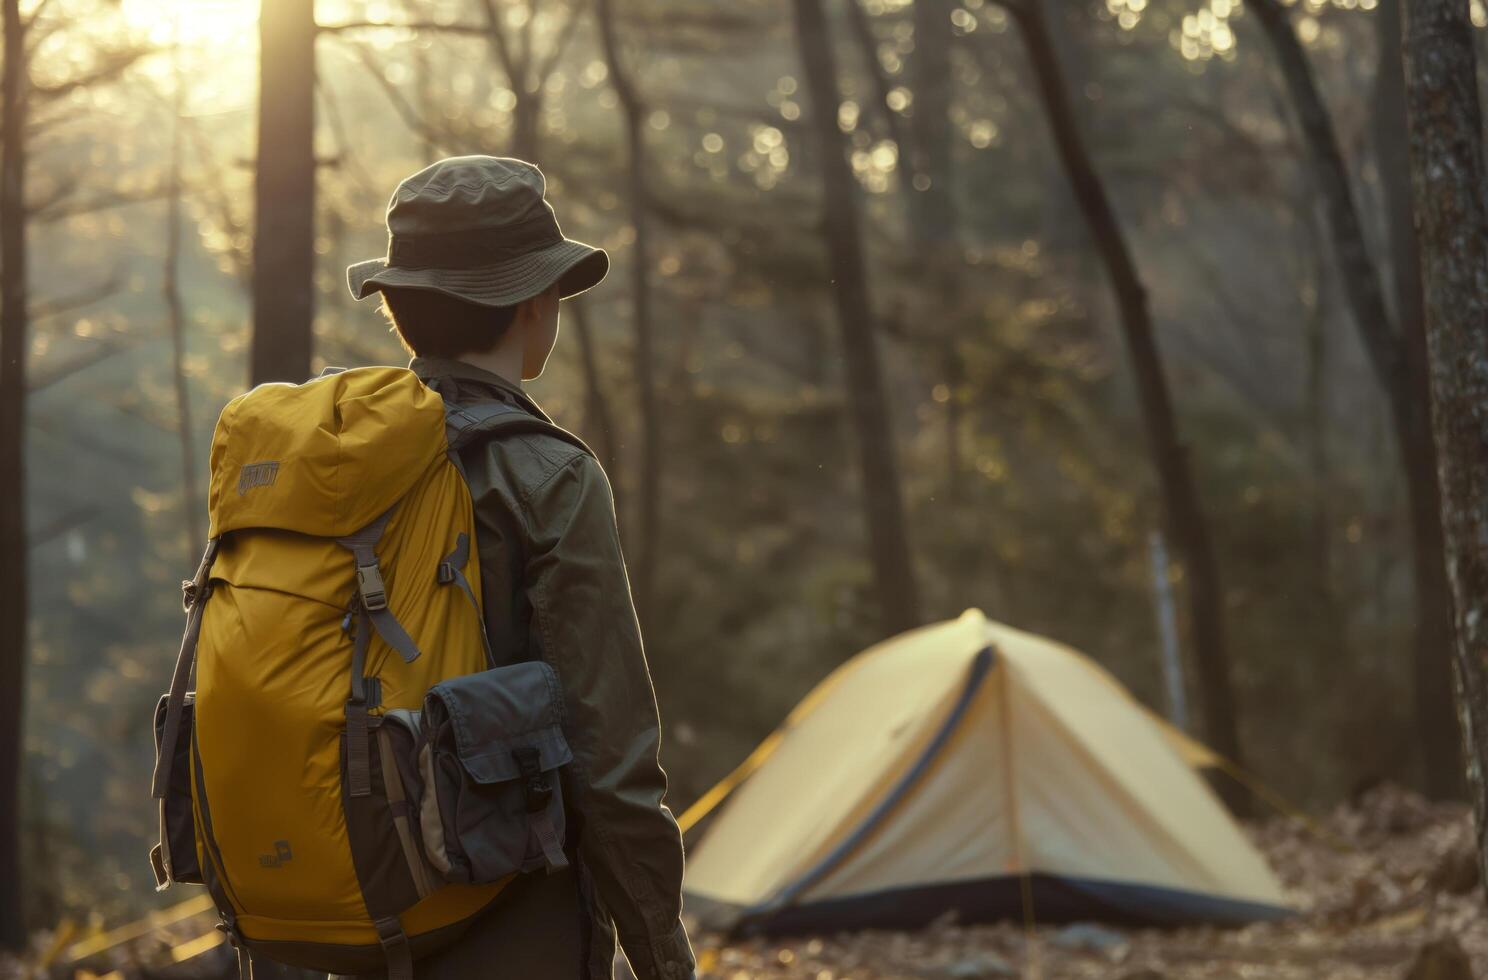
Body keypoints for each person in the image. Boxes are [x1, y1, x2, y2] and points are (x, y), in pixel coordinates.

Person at [336, 155, 694, 980]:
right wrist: (664, 959)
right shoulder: (549, 477)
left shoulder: (338, 459)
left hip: (361, 904)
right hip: (509, 916)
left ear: (397, 309)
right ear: (536, 303)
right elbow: (609, 757)